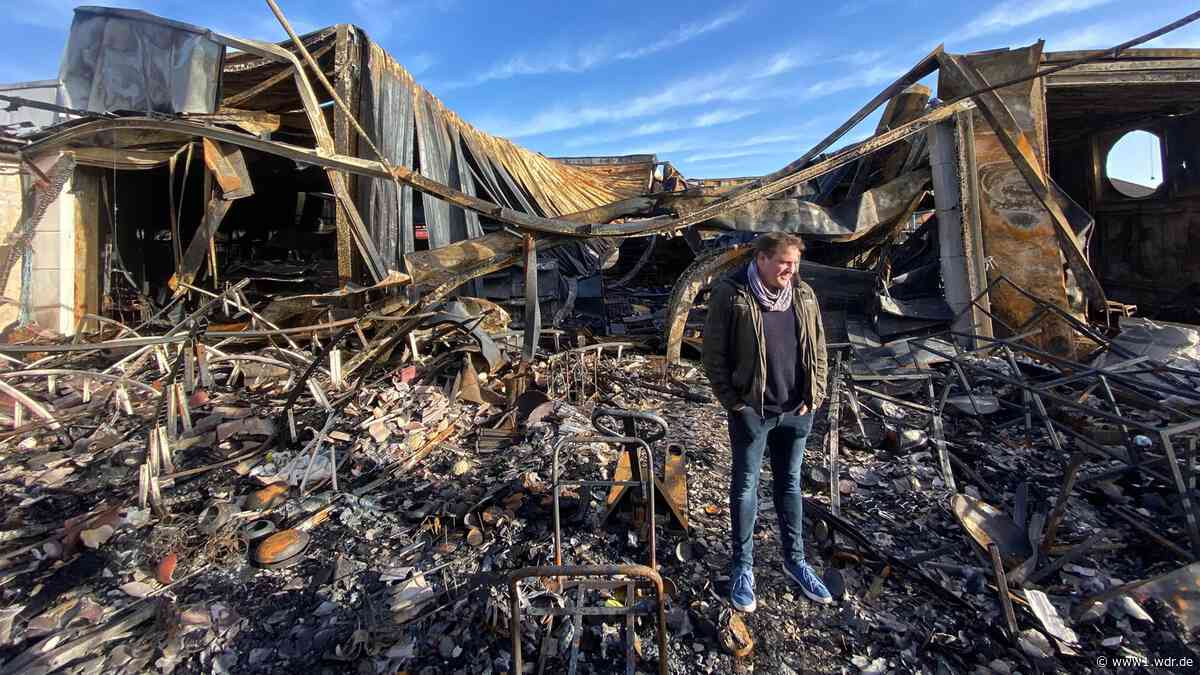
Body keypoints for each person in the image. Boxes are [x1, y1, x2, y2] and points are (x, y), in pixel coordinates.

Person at [701, 232, 831, 612]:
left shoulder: (804, 295)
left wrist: (815, 394)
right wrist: (734, 403)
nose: (790, 270)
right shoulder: (732, 294)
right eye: (783, 262)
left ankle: (797, 562)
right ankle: (743, 568)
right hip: (753, 414)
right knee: (745, 488)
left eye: (794, 263)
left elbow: (819, 347)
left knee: (790, 486)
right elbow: (712, 354)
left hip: (796, 411)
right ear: (760, 259)